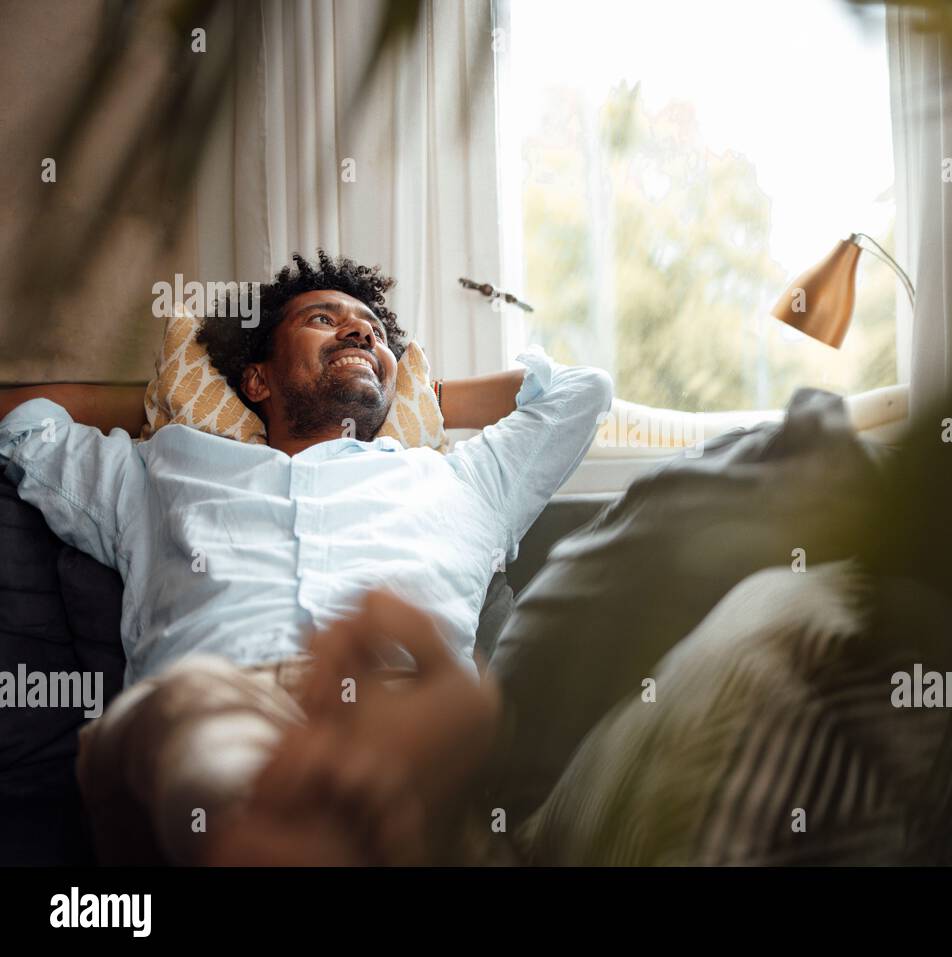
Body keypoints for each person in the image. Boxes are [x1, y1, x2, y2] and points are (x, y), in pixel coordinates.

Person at [0, 251, 613, 864]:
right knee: (211, 751)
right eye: (323, 318)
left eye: (372, 331)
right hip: (215, 701)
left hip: (397, 711)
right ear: (258, 379)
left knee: (395, 777)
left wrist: (419, 393)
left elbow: (581, 390)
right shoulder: (163, 466)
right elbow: (24, 423)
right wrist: (163, 398)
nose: (359, 330)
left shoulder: (462, 481)